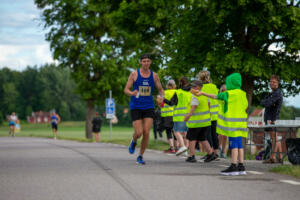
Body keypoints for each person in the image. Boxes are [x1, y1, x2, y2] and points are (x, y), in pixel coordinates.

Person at [199, 73, 248, 175]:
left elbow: (215, 96)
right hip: (241, 123)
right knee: (239, 145)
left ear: (231, 83)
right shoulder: (243, 94)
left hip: (232, 124)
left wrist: (202, 93)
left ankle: (233, 166)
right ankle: (241, 166)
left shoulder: (228, 94)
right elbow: (245, 106)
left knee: (233, 144)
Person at [124, 53, 164, 165]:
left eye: (148, 61)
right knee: (139, 133)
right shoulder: (134, 74)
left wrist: (161, 97)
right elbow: (126, 89)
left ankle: (140, 156)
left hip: (148, 106)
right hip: (136, 106)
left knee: (146, 132)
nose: (146, 63)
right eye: (144, 61)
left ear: (150, 62)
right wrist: (132, 92)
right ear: (141, 62)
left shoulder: (154, 76)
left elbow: (161, 90)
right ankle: (134, 141)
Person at [184, 80, 217, 163]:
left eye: (195, 87)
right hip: (206, 122)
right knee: (202, 138)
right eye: (192, 87)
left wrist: (188, 116)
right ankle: (210, 153)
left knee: (192, 138)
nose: (192, 88)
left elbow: (193, 107)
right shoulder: (205, 96)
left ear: (200, 87)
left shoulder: (195, 96)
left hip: (196, 123)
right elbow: (209, 106)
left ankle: (191, 156)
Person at [158, 77, 191, 156]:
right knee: (185, 132)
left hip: (176, 115)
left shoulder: (178, 92)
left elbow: (170, 103)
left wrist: (163, 99)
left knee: (175, 131)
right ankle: (185, 148)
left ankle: (181, 147)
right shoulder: (190, 92)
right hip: (188, 115)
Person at [261, 75, 283, 164]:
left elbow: (267, 103)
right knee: (275, 137)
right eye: (270, 81)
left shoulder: (277, 93)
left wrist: (269, 102)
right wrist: (268, 102)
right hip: (269, 117)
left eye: (274, 82)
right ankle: (280, 158)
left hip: (273, 118)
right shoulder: (271, 93)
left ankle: (272, 157)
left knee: (274, 137)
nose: (271, 83)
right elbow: (263, 102)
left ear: (278, 83)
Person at [198, 70, 220, 158]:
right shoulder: (214, 86)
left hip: (206, 114)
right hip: (215, 114)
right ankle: (216, 153)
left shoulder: (201, 88)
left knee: (207, 135)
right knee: (214, 134)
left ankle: (210, 153)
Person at [160, 80, 177, 153]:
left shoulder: (164, 93)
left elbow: (161, 104)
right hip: (175, 114)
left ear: (167, 85)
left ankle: (172, 148)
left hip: (166, 115)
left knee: (168, 132)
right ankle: (177, 148)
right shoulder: (177, 92)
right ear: (174, 85)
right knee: (175, 132)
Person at [217, 84, 228, 159]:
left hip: (227, 118)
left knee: (225, 136)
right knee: (220, 135)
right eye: (223, 91)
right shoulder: (219, 99)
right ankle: (217, 149)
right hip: (220, 119)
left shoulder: (228, 99)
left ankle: (223, 152)